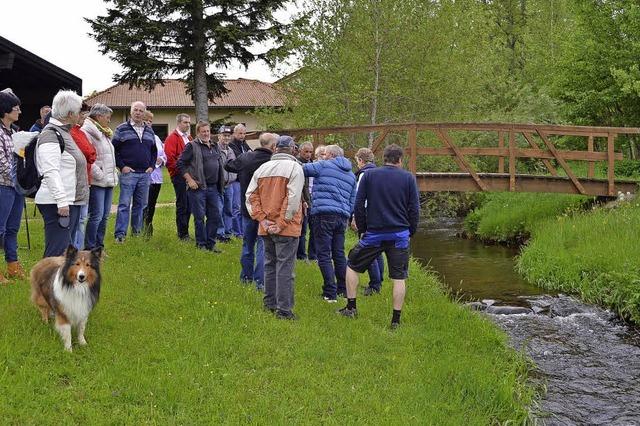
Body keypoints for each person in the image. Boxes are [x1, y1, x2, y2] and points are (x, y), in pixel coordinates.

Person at [338, 144, 420, 329]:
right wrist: (411, 232)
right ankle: (395, 320)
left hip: (374, 233)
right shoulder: (408, 178)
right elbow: (414, 209)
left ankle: (351, 308)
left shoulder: (369, 176)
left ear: (384, 158)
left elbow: (359, 205)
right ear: (400, 160)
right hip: (399, 234)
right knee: (399, 277)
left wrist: (362, 229)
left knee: (352, 265)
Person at [246, 136, 304, 320]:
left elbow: (251, 196)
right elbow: (292, 199)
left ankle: (269, 303)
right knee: (285, 267)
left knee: (270, 265)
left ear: (276, 149)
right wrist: (281, 223)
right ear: (292, 149)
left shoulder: (262, 169)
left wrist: (262, 220)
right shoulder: (295, 168)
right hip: (285, 227)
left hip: (267, 226)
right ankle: (284, 309)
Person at [35, 90, 89, 258]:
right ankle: (47, 284)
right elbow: (50, 171)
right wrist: (61, 202)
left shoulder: (64, 132)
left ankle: (59, 284)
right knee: (56, 255)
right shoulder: (51, 134)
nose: (80, 115)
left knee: (65, 254)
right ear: (70, 114)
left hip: (68, 201)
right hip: (58, 203)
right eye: (79, 111)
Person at [303, 144, 357, 303]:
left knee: (324, 254)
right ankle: (343, 289)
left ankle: (330, 292)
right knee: (339, 253)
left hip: (323, 214)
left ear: (331, 155)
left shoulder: (323, 165)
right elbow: (352, 200)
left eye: (325, 154)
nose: (323, 156)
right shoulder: (351, 174)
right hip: (342, 217)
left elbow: (302, 169)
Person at [224, 132, 277, 290]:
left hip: (248, 207)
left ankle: (246, 277)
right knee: (263, 246)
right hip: (267, 210)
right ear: (273, 146)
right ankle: (260, 281)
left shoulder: (247, 158)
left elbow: (229, 165)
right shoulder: (273, 161)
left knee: (248, 244)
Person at [112, 101, 157, 243]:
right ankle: (120, 235)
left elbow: (154, 151)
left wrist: (152, 166)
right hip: (128, 173)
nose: (138, 113)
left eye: (140, 111)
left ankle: (136, 233)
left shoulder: (149, 130)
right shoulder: (121, 129)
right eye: (135, 110)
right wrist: (122, 166)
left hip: (145, 174)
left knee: (141, 205)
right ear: (131, 112)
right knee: (124, 205)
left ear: (144, 113)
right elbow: (113, 150)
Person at [177, 121, 224, 252]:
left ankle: (211, 243)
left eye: (208, 131)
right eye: (203, 131)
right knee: (199, 218)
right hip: (198, 188)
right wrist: (189, 180)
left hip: (213, 187)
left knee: (214, 216)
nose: (206, 134)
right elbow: (180, 164)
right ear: (197, 133)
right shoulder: (191, 146)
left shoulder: (214, 146)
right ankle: (201, 244)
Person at [82, 103, 118, 250]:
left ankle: (99, 247)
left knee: (104, 216)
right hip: (98, 180)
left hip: (108, 180)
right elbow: (88, 157)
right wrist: (100, 174)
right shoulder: (87, 132)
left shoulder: (103, 132)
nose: (109, 121)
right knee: (96, 215)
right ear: (99, 116)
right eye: (108, 117)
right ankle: (90, 248)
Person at [0, 90, 25, 282]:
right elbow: (2, 163)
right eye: (16, 107)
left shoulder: (15, 131)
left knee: (12, 228)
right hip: (3, 186)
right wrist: (18, 177)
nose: (19, 110)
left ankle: (13, 266)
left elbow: (19, 157)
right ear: (5, 109)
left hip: (16, 187)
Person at [353, 148, 385, 296]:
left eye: (357, 161)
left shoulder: (364, 175)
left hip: (367, 214)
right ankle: (379, 281)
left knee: (368, 249)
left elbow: (360, 199)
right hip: (379, 215)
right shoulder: (379, 173)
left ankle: (374, 285)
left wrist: (356, 219)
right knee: (378, 249)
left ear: (360, 160)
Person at [70, 103, 97, 249]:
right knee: (77, 219)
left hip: (86, 178)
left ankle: (78, 249)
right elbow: (87, 152)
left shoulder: (80, 132)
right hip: (77, 180)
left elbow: (92, 153)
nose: (83, 118)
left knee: (82, 218)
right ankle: (74, 249)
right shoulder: (72, 132)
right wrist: (89, 153)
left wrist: (90, 153)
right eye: (82, 115)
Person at [164, 113, 192, 240]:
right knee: (182, 204)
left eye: (188, 123)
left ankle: (185, 231)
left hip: (190, 176)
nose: (187, 125)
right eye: (185, 122)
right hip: (179, 176)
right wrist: (183, 172)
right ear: (179, 123)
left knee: (189, 204)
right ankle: (182, 233)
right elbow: (170, 159)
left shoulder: (189, 138)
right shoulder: (172, 138)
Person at [142, 110, 167, 237]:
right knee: (144, 204)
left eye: (151, 121)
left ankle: (149, 227)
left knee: (152, 204)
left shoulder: (156, 137)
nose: (149, 123)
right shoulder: (140, 137)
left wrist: (161, 160)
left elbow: (164, 154)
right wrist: (153, 161)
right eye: (146, 120)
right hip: (146, 175)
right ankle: (141, 228)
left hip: (157, 177)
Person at [228, 123, 251, 237]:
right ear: (234, 133)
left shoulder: (244, 144)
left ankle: (242, 230)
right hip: (236, 179)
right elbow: (240, 160)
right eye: (240, 133)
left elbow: (251, 155)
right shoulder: (232, 145)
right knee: (236, 207)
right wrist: (248, 157)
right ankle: (237, 232)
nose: (242, 136)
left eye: (244, 133)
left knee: (243, 206)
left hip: (244, 179)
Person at [216, 125, 236, 241]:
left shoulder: (231, 150)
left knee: (228, 209)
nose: (226, 138)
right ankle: (220, 233)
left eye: (228, 136)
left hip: (230, 185)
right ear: (219, 136)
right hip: (218, 185)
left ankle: (228, 232)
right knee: (219, 209)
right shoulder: (215, 149)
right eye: (224, 135)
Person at [296, 141, 314, 260]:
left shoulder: (312, 164)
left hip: (310, 199)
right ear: (300, 151)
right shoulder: (297, 164)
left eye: (310, 152)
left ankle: (309, 254)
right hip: (302, 200)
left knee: (309, 229)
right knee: (301, 230)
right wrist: (303, 200)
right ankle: (301, 254)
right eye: (306, 152)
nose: (308, 154)